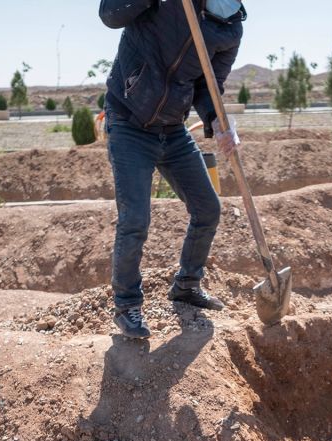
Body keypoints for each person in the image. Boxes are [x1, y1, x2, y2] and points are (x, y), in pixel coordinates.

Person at [99, 0, 245, 340]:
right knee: (135, 219)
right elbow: (109, 15)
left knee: (208, 209)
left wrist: (217, 121)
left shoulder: (231, 27)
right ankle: (127, 305)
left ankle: (187, 285)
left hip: (172, 129)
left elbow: (208, 86)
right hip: (128, 120)